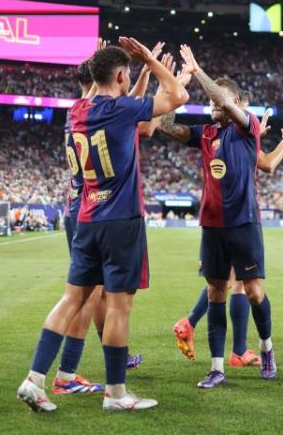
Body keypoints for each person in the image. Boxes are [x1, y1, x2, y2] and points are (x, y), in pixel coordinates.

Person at [16, 37, 187, 413]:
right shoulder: (121, 109)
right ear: (123, 76)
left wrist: (107, 62)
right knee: (119, 307)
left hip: (86, 217)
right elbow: (178, 95)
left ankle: (35, 378)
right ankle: (115, 394)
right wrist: (150, 62)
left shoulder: (76, 111)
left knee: (71, 299)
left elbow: (103, 90)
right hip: (121, 219)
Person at [157, 45, 278, 389]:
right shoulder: (206, 134)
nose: (212, 104)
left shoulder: (247, 126)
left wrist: (198, 72)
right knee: (215, 293)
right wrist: (171, 88)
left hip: (243, 222)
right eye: (210, 100)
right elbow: (167, 126)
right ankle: (216, 367)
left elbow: (223, 101)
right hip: (212, 225)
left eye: (218, 100)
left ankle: (267, 349)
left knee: (254, 292)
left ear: (236, 103)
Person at [172, 109, 283, 367]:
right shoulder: (233, 129)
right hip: (238, 217)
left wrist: (256, 138)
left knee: (228, 281)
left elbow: (261, 161)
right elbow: (268, 164)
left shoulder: (237, 133)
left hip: (223, 218)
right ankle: (233, 348)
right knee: (236, 283)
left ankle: (220, 339)